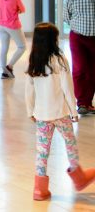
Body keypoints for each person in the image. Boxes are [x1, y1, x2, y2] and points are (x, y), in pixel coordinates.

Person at [26, 22, 95, 201]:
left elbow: (29, 88)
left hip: (42, 115)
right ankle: (79, 179)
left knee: (42, 151)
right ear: (52, 40)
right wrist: (74, 110)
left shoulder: (34, 60)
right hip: (61, 113)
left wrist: (29, 110)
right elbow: (67, 87)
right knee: (70, 144)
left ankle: (39, 190)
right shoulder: (59, 59)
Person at [63, 0, 95, 115]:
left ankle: (88, 103)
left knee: (92, 70)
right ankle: (81, 103)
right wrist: (78, 26)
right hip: (78, 38)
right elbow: (66, 17)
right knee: (80, 68)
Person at [0, 0, 27, 79]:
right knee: (22, 47)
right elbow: (23, 9)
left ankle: (4, 72)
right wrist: (17, 10)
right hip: (13, 25)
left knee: (4, 48)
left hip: (1, 25)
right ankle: (9, 67)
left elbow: (3, 8)